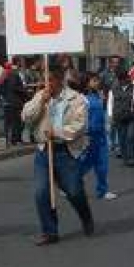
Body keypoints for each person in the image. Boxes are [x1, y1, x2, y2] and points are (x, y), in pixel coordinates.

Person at [22, 64, 94, 246]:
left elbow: (80, 125)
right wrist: (40, 102)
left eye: (50, 80)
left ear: (60, 79)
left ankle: (86, 216)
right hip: (43, 150)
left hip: (65, 151)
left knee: (74, 191)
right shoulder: (40, 96)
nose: (46, 84)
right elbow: (26, 117)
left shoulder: (76, 99)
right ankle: (49, 231)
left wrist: (58, 133)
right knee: (41, 192)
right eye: (43, 80)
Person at [78, 73, 117, 200]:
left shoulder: (98, 96)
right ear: (87, 83)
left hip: (100, 135)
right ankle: (69, 183)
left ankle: (103, 190)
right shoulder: (82, 99)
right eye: (94, 81)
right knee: (85, 163)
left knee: (102, 164)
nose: (97, 83)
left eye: (97, 80)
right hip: (88, 136)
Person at [108, 69, 134, 162]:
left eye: (125, 79)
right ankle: (125, 156)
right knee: (122, 137)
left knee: (130, 137)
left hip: (132, 117)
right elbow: (110, 103)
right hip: (119, 116)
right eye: (121, 79)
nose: (123, 81)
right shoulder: (113, 89)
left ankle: (131, 158)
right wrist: (110, 115)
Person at [1, 59, 28, 145]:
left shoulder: (2, 76)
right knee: (18, 121)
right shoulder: (14, 75)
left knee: (10, 122)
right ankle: (16, 139)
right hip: (16, 102)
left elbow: (0, 90)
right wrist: (25, 93)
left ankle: (11, 140)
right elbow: (17, 88)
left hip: (6, 102)